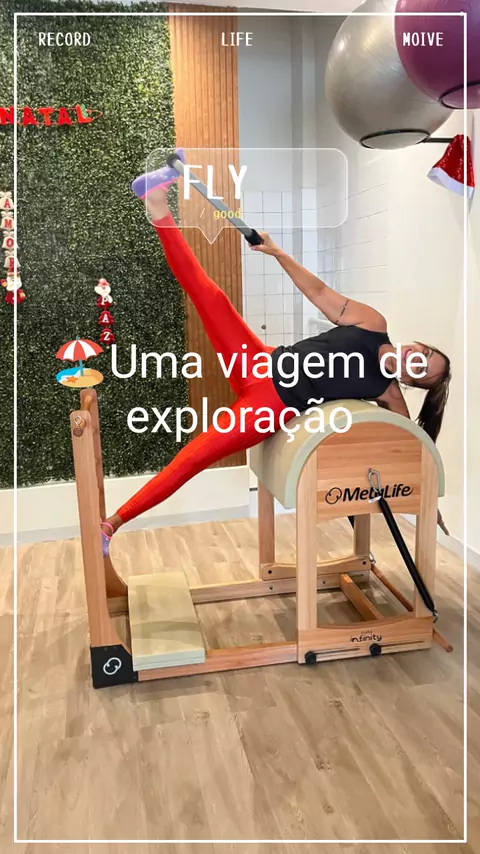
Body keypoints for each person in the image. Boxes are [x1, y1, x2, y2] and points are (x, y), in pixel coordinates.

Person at [101, 167, 451, 552]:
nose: (417, 359)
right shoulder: (372, 323)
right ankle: (156, 205)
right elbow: (319, 292)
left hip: (270, 407)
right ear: (419, 344)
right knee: (210, 295)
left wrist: (430, 501)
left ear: (412, 381)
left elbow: (412, 449)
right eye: (425, 352)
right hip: (259, 360)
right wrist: (278, 252)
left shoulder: (387, 393)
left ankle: (113, 523)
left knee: (195, 457)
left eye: (422, 370)